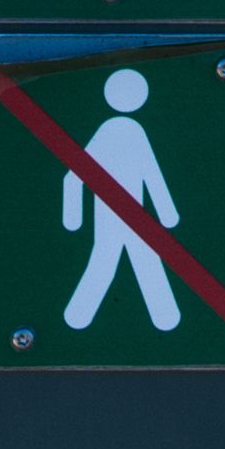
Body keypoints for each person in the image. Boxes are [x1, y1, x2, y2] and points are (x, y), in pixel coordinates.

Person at [61, 67, 181, 330]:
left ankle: (165, 318)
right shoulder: (124, 131)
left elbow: (73, 177)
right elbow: (152, 175)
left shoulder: (116, 130)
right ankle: (165, 318)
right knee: (113, 259)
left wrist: (74, 217)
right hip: (120, 214)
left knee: (119, 258)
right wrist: (167, 213)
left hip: (120, 214)